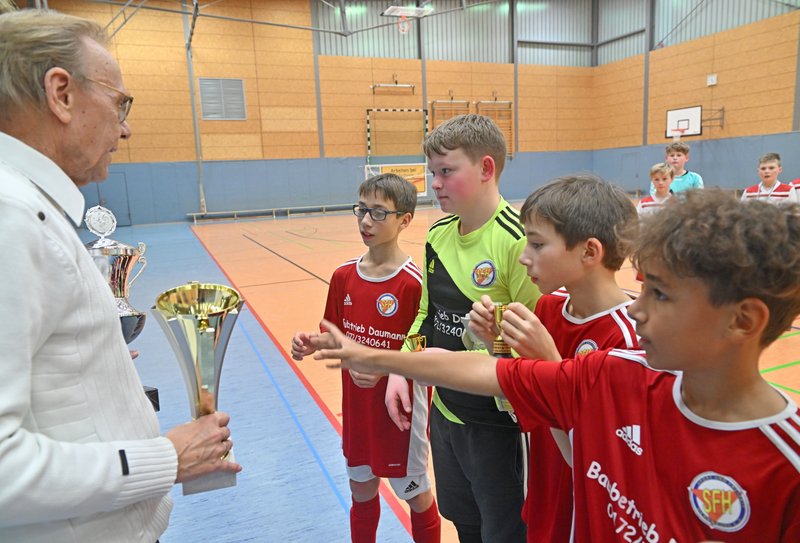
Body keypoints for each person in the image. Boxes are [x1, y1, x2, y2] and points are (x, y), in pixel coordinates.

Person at [312, 188, 800, 543]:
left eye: (661, 294)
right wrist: (373, 356)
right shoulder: (617, 372)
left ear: (743, 320)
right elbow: (495, 374)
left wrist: (543, 359)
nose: (638, 308)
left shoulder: (784, 464)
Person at [0, 10, 241, 542]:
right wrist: (167, 459)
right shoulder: (10, 216)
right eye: (119, 103)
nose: (125, 128)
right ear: (61, 94)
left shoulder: (26, 209)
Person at [385, 114, 540, 543]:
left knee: (505, 533)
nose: (434, 184)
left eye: (445, 171)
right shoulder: (437, 234)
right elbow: (427, 315)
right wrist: (402, 365)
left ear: (486, 168)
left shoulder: (518, 241)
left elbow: (536, 351)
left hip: (500, 427)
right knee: (464, 524)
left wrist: (455, 361)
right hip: (447, 414)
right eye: (432, 172)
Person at [467, 175, 639, 543]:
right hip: (546, 502)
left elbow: (597, 468)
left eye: (537, 244)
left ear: (589, 252)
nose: (523, 256)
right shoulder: (549, 307)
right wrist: (496, 344)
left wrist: (550, 367)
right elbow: (523, 406)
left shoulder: (627, 340)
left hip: (589, 518)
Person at [291, 174, 440, 543]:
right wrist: (313, 343)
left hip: (401, 414)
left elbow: (423, 343)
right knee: (361, 490)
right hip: (358, 410)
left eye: (379, 212)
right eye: (361, 210)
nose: (366, 221)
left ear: (405, 220)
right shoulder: (343, 276)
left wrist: (386, 370)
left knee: (416, 496)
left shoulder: (414, 283)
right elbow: (336, 335)